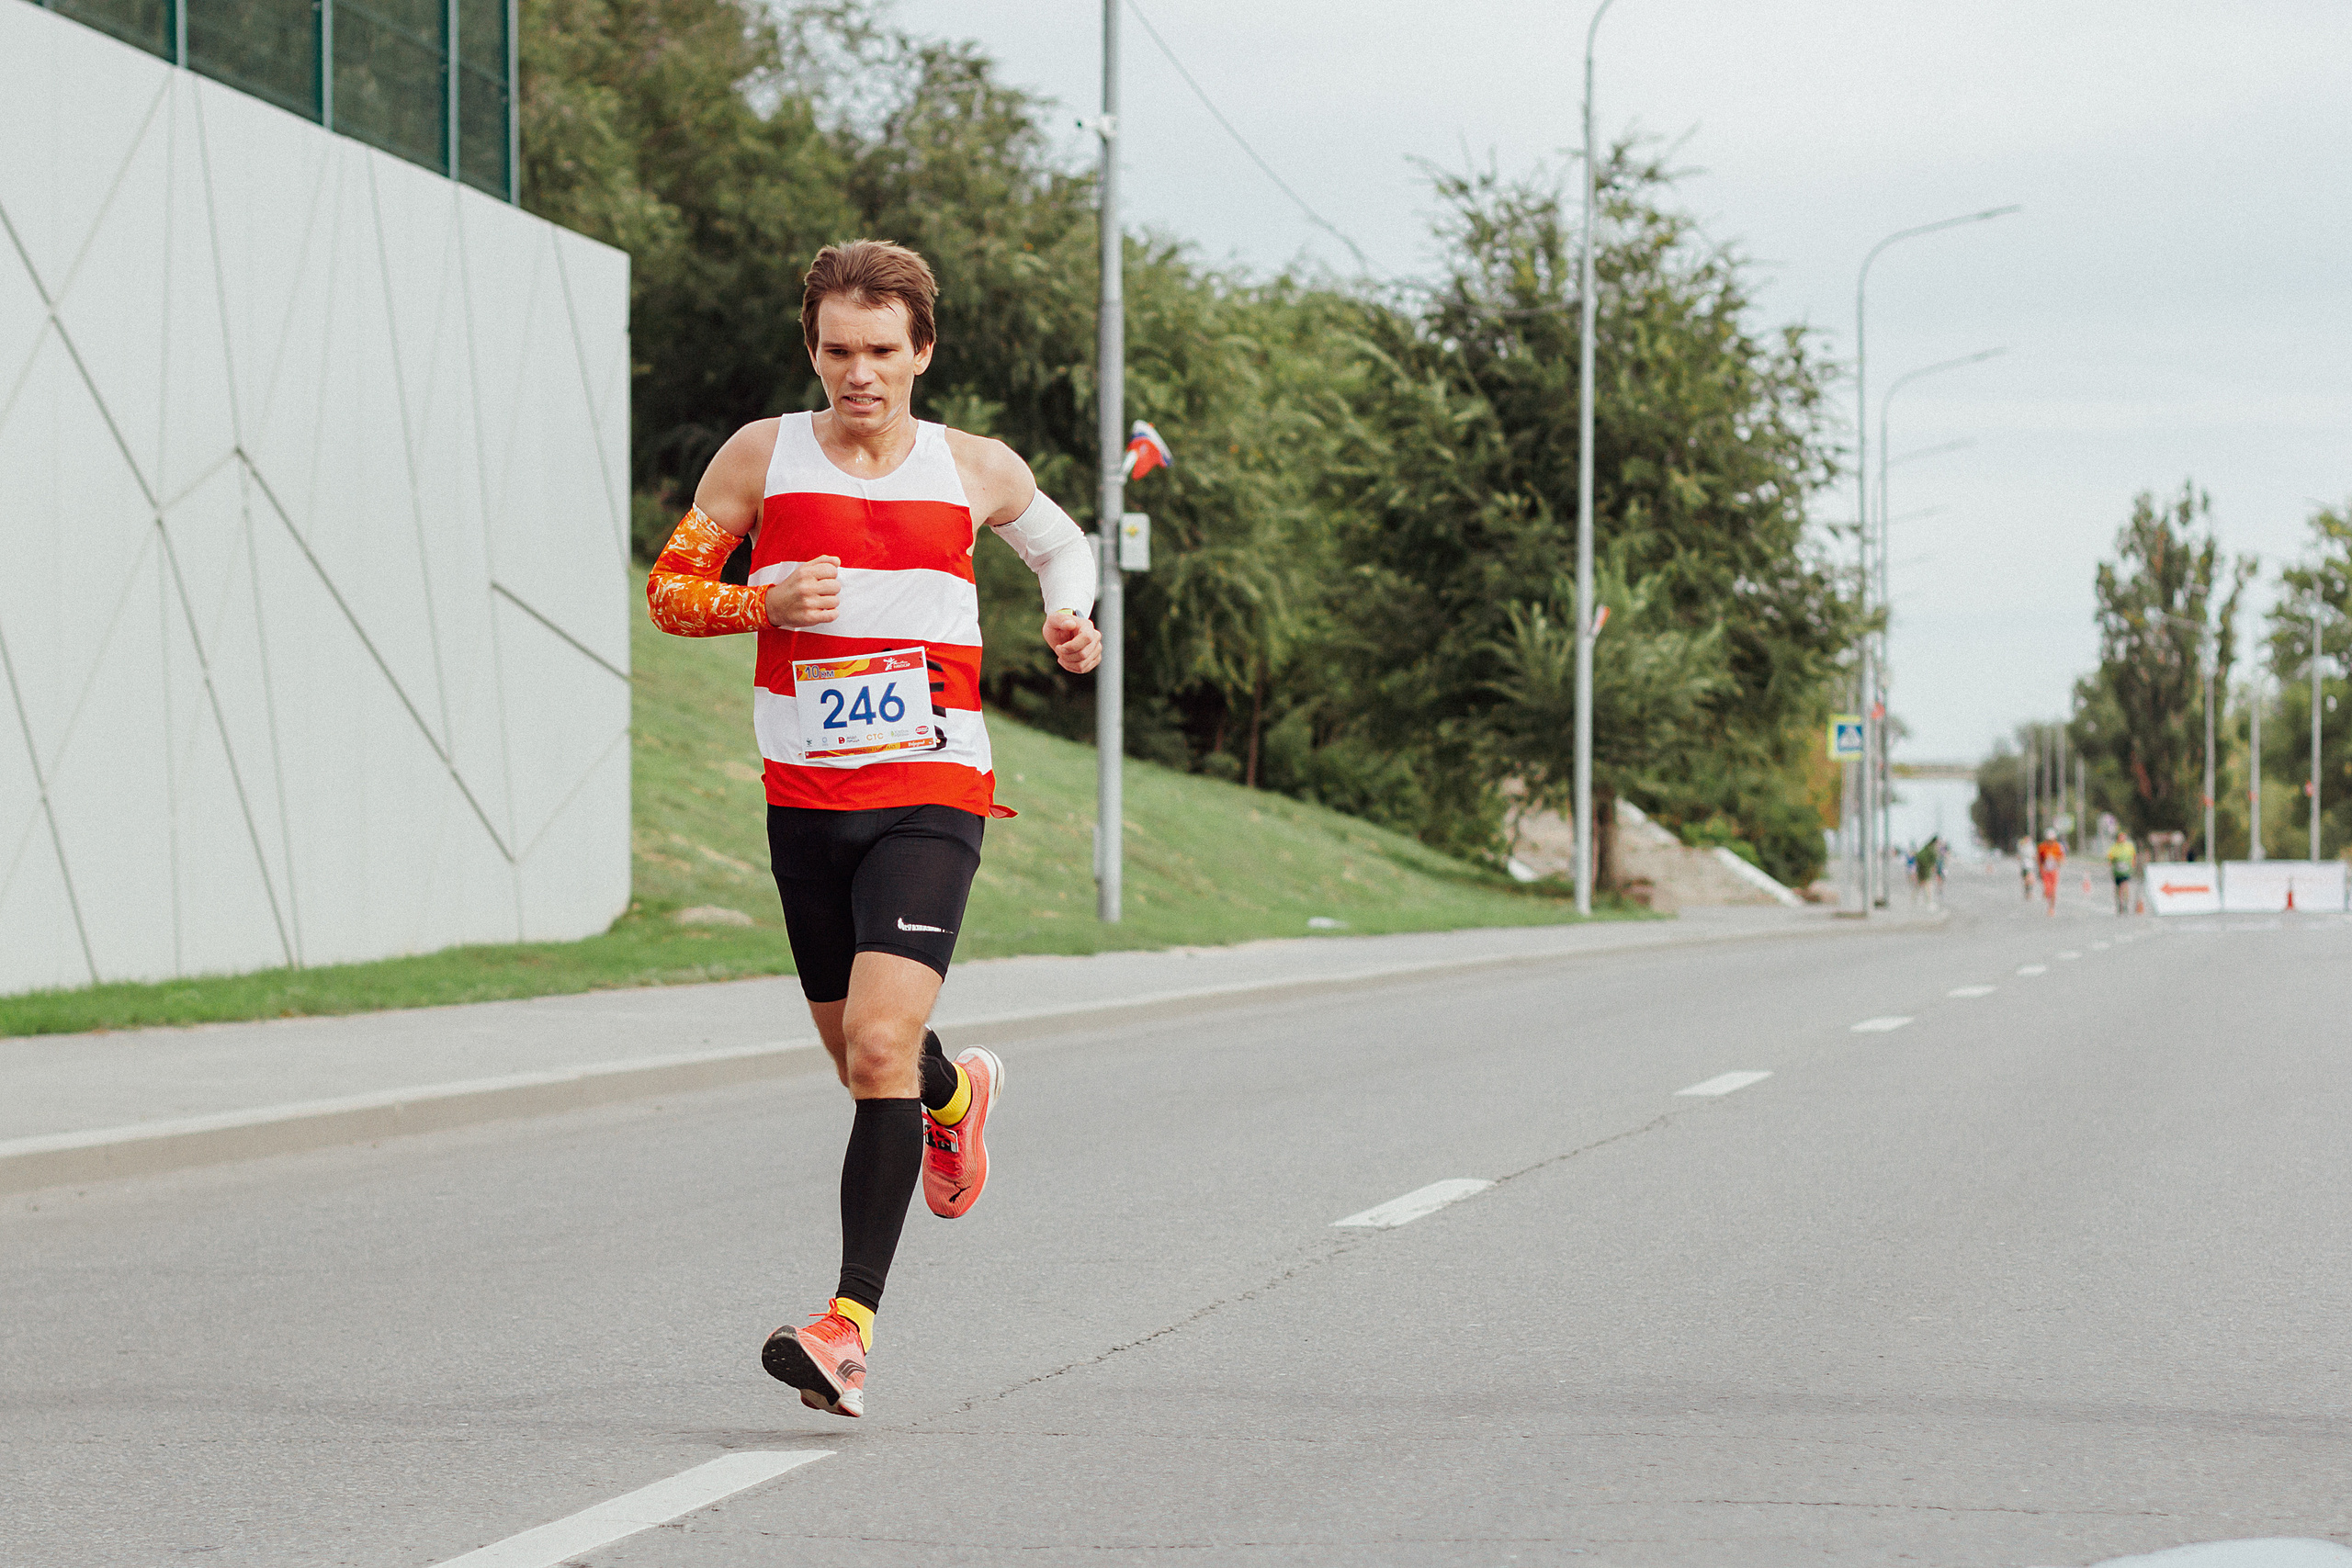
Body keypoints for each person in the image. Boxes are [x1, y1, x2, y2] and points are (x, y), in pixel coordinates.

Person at [644, 240, 1102, 1419]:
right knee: (871, 1062)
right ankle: (957, 1101)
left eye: (882, 353)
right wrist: (763, 599)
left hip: (930, 790)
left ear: (922, 353)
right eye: (839, 351)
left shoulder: (973, 466)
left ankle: (846, 1328)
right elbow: (670, 589)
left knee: (878, 1051)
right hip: (804, 805)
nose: (861, 374)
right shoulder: (761, 454)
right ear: (813, 349)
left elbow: (1060, 543)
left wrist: (1066, 616)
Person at [2106, 830, 2136, 915]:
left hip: (2126, 870)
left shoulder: (2129, 846)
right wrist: (2111, 863)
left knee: (2125, 885)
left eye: (2124, 837)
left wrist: (2133, 864)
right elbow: (2110, 857)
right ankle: (2120, 902)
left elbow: (2133, 856)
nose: (2122, 839)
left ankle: (2126, 902)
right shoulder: (2114, 847)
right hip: (2117, 871)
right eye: (2121, 837)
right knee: (2118, 887)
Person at [2037, 829, 2065, 915]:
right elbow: (2039, 859)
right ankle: (2047, 895)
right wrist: (2040, 869)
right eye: (2049, 840)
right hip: (2045, 870)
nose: (2050, 842)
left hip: (2054, 870)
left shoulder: (2058, 846)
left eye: (2052, 840)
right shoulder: (2042, 847)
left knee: (2053, 891)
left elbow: (2062, 859)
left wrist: (2055, 858)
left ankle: (2051, 908)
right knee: (2047, 890)